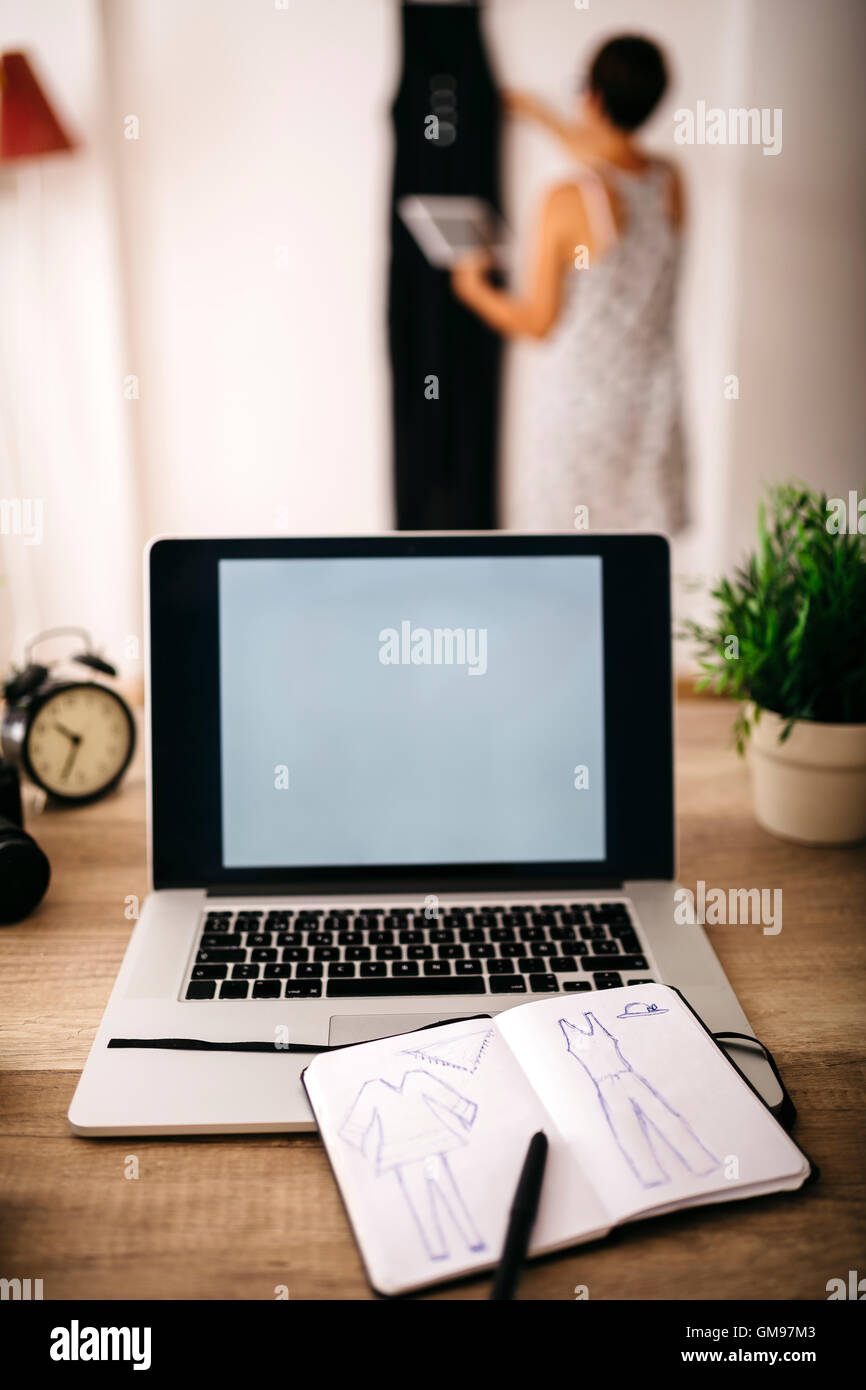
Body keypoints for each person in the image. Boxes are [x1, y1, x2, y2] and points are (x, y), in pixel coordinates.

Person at [451, 35, 687, 534]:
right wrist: (539, 114)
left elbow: (538, 323)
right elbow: (612, 161)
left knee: (565, 554)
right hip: (652, 408)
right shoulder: (671, 182)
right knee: (641, 560)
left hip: (582, 411)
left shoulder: (565, 199)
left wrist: (475, 291)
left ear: (593, 98)